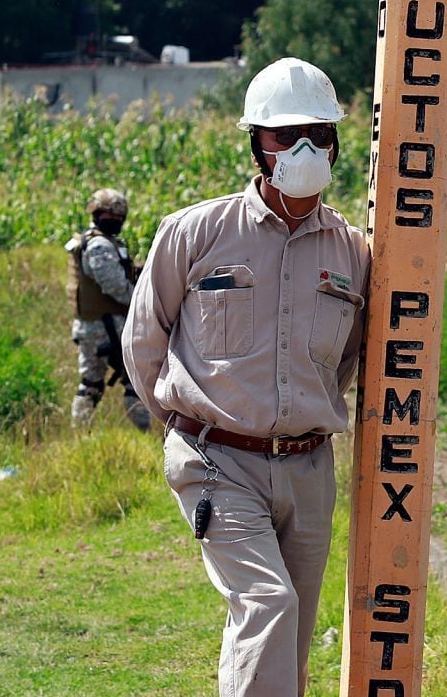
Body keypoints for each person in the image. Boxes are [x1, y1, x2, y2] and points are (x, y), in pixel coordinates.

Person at [124, 57, 368, 697]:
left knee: (291, 632)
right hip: (217, 461)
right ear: (258, 145)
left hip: (309, 469)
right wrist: (187, 427)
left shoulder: (353, 253)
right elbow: (144, 343)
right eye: (286, 136)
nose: (305, 148)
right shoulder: (195, 233)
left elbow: (345, 362)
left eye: (319, 133)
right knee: (268, 606)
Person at [66, 188, 151, 430]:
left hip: (98, 325)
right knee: (136, 379)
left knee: (91, 383)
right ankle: (143, 432)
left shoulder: (99, 242)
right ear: (97, 214)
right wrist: (145, 302)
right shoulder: (99, 246)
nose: (115, 221)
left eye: (119, 217)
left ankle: (80, 432)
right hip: (107, 327)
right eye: (111, 216)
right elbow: (115, 286)